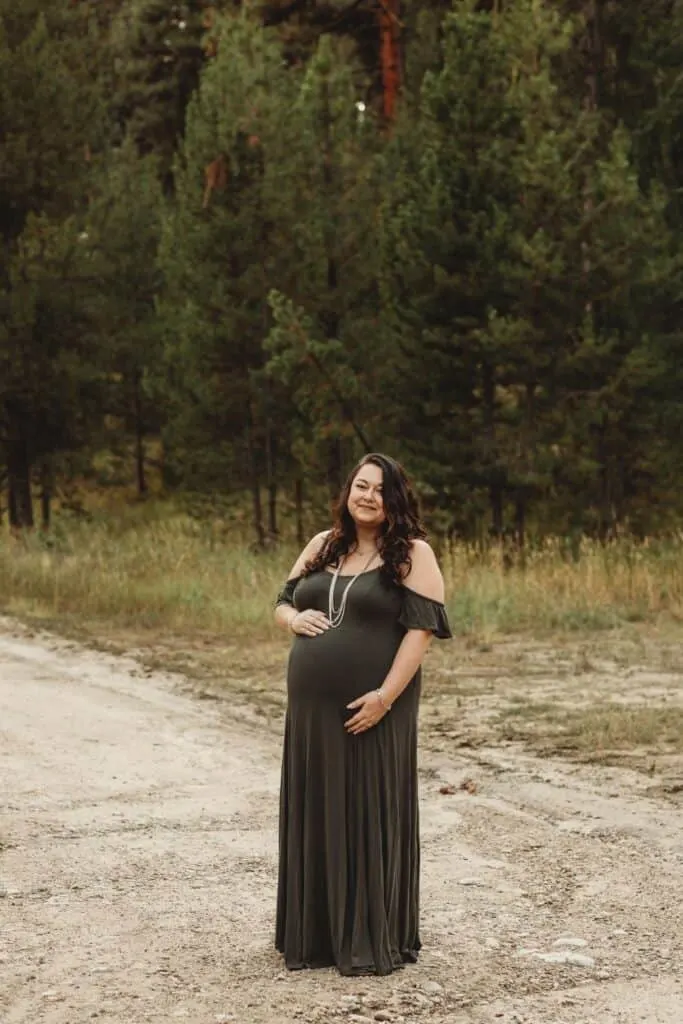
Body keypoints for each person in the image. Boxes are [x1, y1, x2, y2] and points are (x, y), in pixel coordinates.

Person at [273, 452, 452, 977]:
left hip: (376, 705)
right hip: (310, 711)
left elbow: (420, 634)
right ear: (347, 491)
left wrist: (384, 698)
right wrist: (292, 619)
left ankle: (368, 935)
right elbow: (284, 599)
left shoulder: (414, 554)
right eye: (360, 485)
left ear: (394, 497)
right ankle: (317, 935)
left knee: (367, 805)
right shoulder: (322, 544)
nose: (367, 496)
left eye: (378, 489)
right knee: (318, 805)